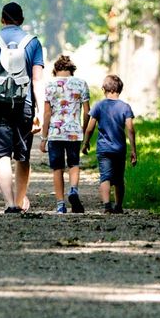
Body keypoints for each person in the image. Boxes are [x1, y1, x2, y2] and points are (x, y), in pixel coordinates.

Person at [0, 2, 45, 214]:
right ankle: (20, 199)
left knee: (1, 154)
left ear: (1, 19)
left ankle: (9, 203)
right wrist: (40, 112)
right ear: (21, 20)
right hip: (25, 106)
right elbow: (38, 81)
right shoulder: (33, 43)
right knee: (22, 156)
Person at [40, 53, 90, 214]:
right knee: (74, 164)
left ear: (55, 71)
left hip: (55, 133)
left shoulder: (49, 85)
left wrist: (43, 137)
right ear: (71, 71)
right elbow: (87, 112)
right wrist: (84, 131)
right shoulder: (81, 84)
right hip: (74, 132)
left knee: (57, 168)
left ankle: (61, 205)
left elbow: (47, 114)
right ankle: (73, 190)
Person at [82, 74, 137, 213]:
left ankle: (107, 206)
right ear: (120, 89)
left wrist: (85, 143)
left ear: (104, 89)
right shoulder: (125, 107)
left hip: (103, 149)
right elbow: (130, 129)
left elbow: (90, 127)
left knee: (105, 177)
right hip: (119, 149)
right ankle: (118, 206)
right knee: (119, 179)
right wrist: (133, 150)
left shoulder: (99, 105)